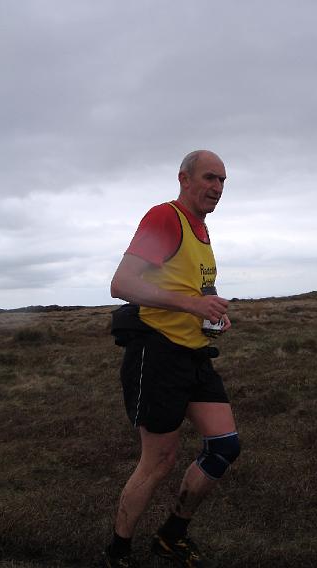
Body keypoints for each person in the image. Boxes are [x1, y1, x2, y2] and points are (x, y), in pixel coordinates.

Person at [104, 150, 240, 568]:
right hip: (157, 353)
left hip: (194, 354)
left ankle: (171, 535)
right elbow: (121, 283)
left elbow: (196, 289)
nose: (216, 188)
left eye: (222, 181)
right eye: (209, 178)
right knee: (158, 460)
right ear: (184, 178)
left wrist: (212, 311)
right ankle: (119, 552)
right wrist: (190, 306)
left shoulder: (201, 229)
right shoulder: (166, 218)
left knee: (224, 446)